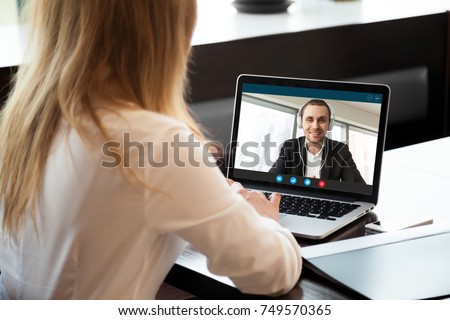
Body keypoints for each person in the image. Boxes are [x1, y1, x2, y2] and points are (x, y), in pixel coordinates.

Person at [0, 0, 301, 299]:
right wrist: (262, 222)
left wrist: (210, 201)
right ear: (166, 31)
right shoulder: (152, 140)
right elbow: (269, 273)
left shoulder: (25, 123)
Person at [269, 99, 366, 183]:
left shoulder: (340, 150)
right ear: (301, 122)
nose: (315, 126)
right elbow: (270, 182)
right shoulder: (289, 147)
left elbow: (360, 189)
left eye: (322, 120)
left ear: (329, 124)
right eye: (309, 119)